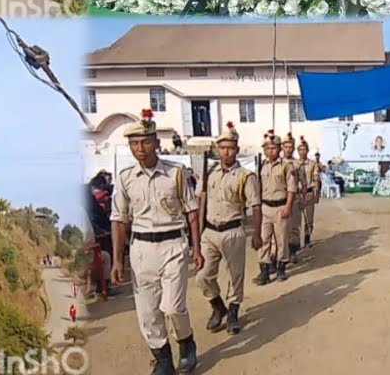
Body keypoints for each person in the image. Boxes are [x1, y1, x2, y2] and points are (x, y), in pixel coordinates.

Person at [110, 121, 201, 375]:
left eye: (146, 142)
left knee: (172, 307)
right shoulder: (125, 178)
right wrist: (117, 260)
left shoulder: (176, 173)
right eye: (134, 143)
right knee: (148, 311)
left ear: (156, 143)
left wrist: (196, 248)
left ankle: (186, 342)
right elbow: (118, 219)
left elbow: (192, 212)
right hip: (141, 249)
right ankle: (163, 359)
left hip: (173, 245)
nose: (140, 148)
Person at [197, 127, 261, 337]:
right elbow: (200, 202)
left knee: (235, 275)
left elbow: (255, 205)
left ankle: (233, 312)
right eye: (223, 148)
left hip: (232, 230)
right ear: (218, 149)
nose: (226, 152)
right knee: (203, 276)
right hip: (209, 232)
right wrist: (195, 235)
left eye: (230, 148)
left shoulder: (245, 176)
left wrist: (257, 233)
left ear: (237, 150)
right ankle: (218, 306)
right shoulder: (209, 173)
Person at [255, 135, 296, 286]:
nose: (271, 151)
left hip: (280, 207)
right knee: (264, 240)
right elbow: (258, 187)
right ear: (264, 150)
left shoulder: (286, 166)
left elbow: (291, 189)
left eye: (273, 148)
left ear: (279, 149)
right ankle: (264, 270)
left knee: (281, 240)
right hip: (265, 207)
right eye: (268, 148)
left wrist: (288, 206)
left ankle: (281, 268)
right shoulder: (261, 166)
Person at [294, 140, 321, 252]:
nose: (302, 152)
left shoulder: (312, 164)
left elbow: (316, 178)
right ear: (297, 151)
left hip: (309, 193)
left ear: (307, 150)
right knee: (295, 221)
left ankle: (307, 238)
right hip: (297, 194)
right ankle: (294, 243)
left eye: (304, 149)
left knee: (309, 219)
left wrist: (317, 193)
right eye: (300, 149)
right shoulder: (294, 164)